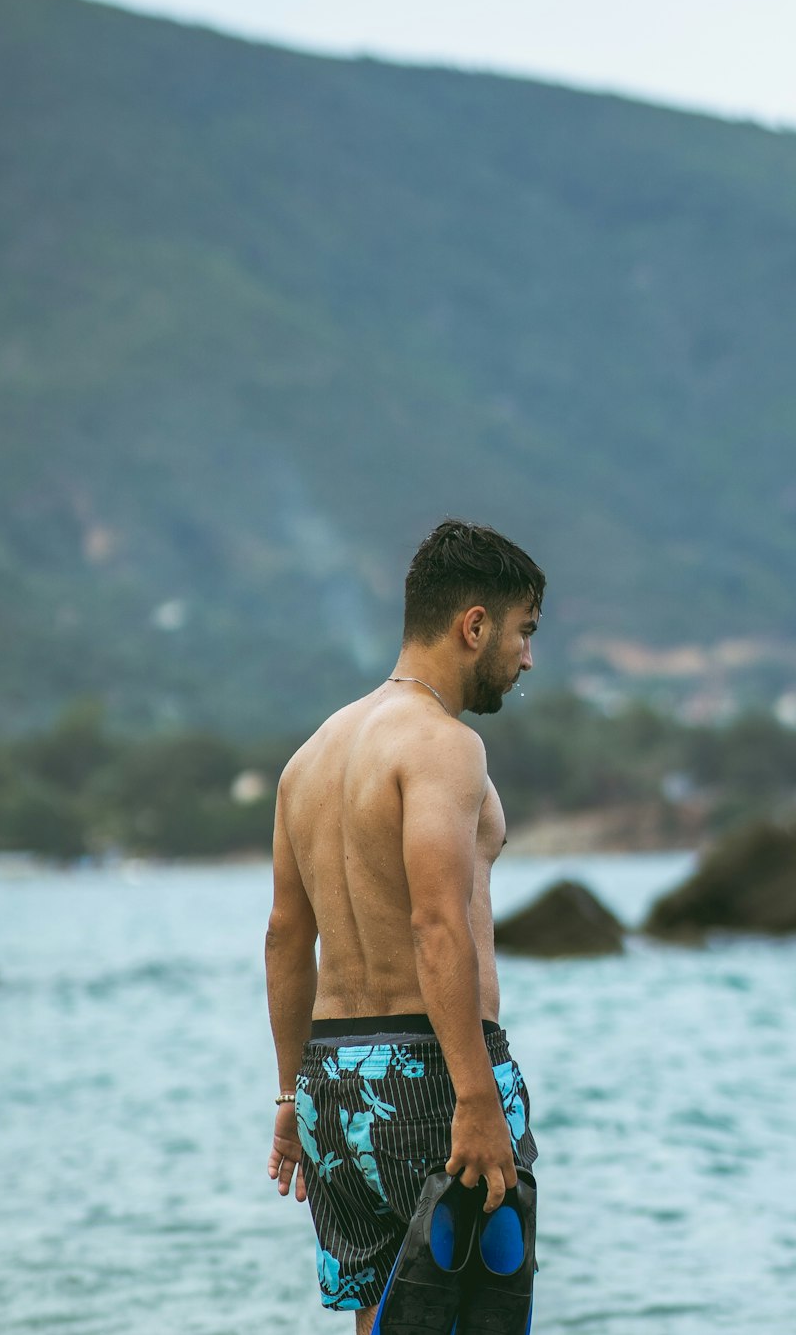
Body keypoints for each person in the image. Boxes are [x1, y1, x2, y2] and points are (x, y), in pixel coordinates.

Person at [265, 518, 545, 1333]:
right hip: (432, 1072)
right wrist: (476, 1094)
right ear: (474, 626)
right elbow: (437, 922)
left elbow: (286, 937)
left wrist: (291, 1094)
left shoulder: (309, 759)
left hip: (330, 1080)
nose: (527, 658)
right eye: (524, 632)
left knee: (382, 1318)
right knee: (475, 1313)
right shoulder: (443, 745)